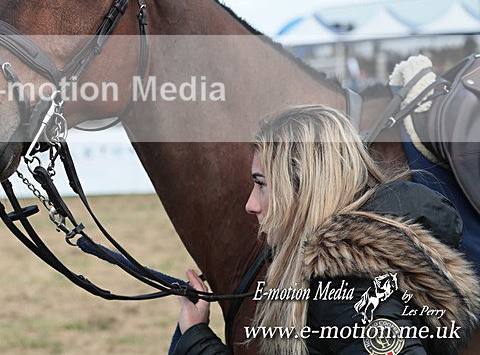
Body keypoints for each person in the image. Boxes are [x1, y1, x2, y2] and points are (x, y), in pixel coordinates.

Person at [172, 104, 480, 355]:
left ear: (304, 188)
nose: (251, 205)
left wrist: (196, 341)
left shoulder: (349, 287)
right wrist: (197, 336)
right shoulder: (336, 273)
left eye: (262, 184)